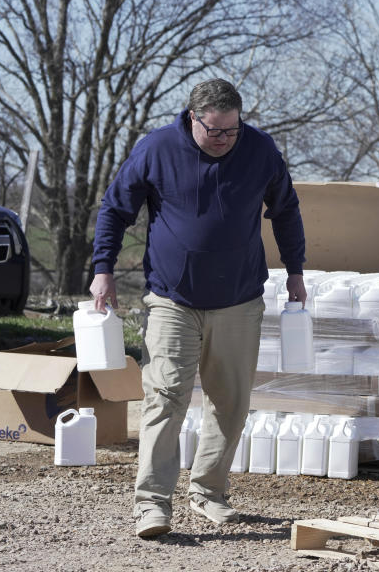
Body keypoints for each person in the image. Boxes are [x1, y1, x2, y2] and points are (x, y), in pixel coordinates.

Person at [90, 78, 306, 538]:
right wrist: (102, 268)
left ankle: (209, 492)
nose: (224, 140)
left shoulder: (260, 151)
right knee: (165, 398)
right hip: (173, 299)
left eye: (233, 130)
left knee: (230, 403)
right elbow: (114, 208)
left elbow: (285, 209)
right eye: (215, 131)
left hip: (239, 300)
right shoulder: (157, 149)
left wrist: (295, 270)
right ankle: (152, 504)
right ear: (193, 118)